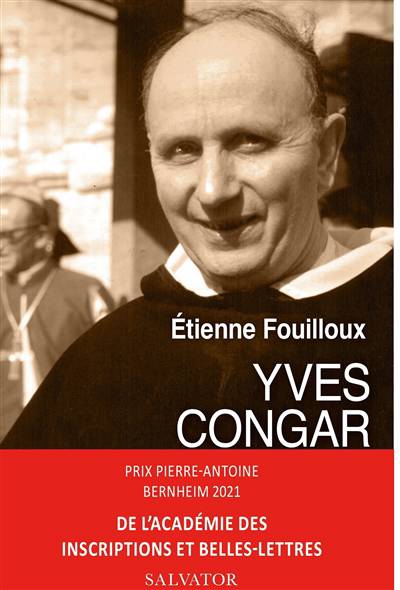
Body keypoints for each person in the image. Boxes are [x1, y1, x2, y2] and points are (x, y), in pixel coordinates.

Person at [2, 7, 392, 449]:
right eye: (182, 150)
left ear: (325, 154)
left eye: (250, 141)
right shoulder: (108, 359)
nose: (211, 191)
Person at [0, 183, 114, 440]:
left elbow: (113, 374)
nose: (0, 246)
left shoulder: (85, 292)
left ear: (41, 237)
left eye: (9, 235)